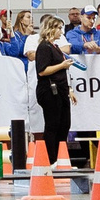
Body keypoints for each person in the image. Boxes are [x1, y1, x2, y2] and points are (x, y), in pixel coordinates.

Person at [31, 15, 72, 163]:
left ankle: (60, 157)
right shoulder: (44, 47)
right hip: (49, 90)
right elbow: (42, 71)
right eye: (59, 28)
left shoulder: (54, 47)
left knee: (64, 124)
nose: (61, 31)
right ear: (51, 28)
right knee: (53, 124)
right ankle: (51, 158)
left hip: (60, 89)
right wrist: (62, 65)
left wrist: (69, 89)